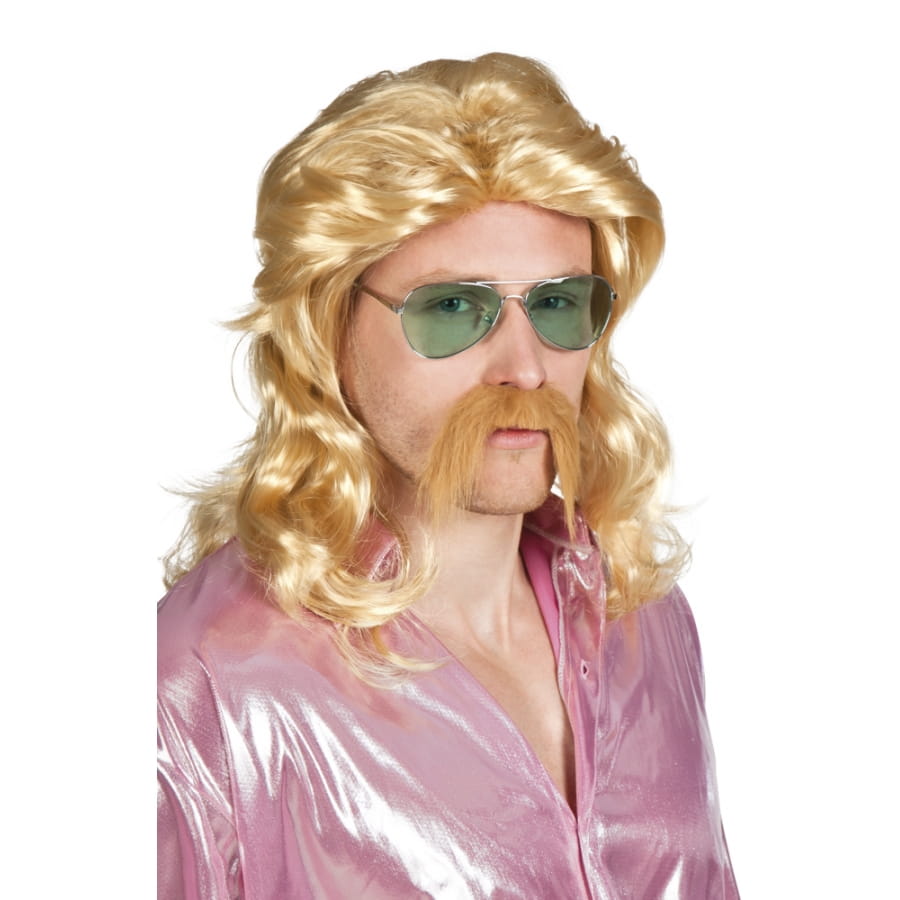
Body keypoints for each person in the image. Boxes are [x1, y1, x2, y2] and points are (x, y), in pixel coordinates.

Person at [157, 53, 739, 899]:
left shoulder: (642, 621)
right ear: (327, 330)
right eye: (454, 309)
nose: (525, 369)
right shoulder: (205, 682)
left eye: (557, 305)